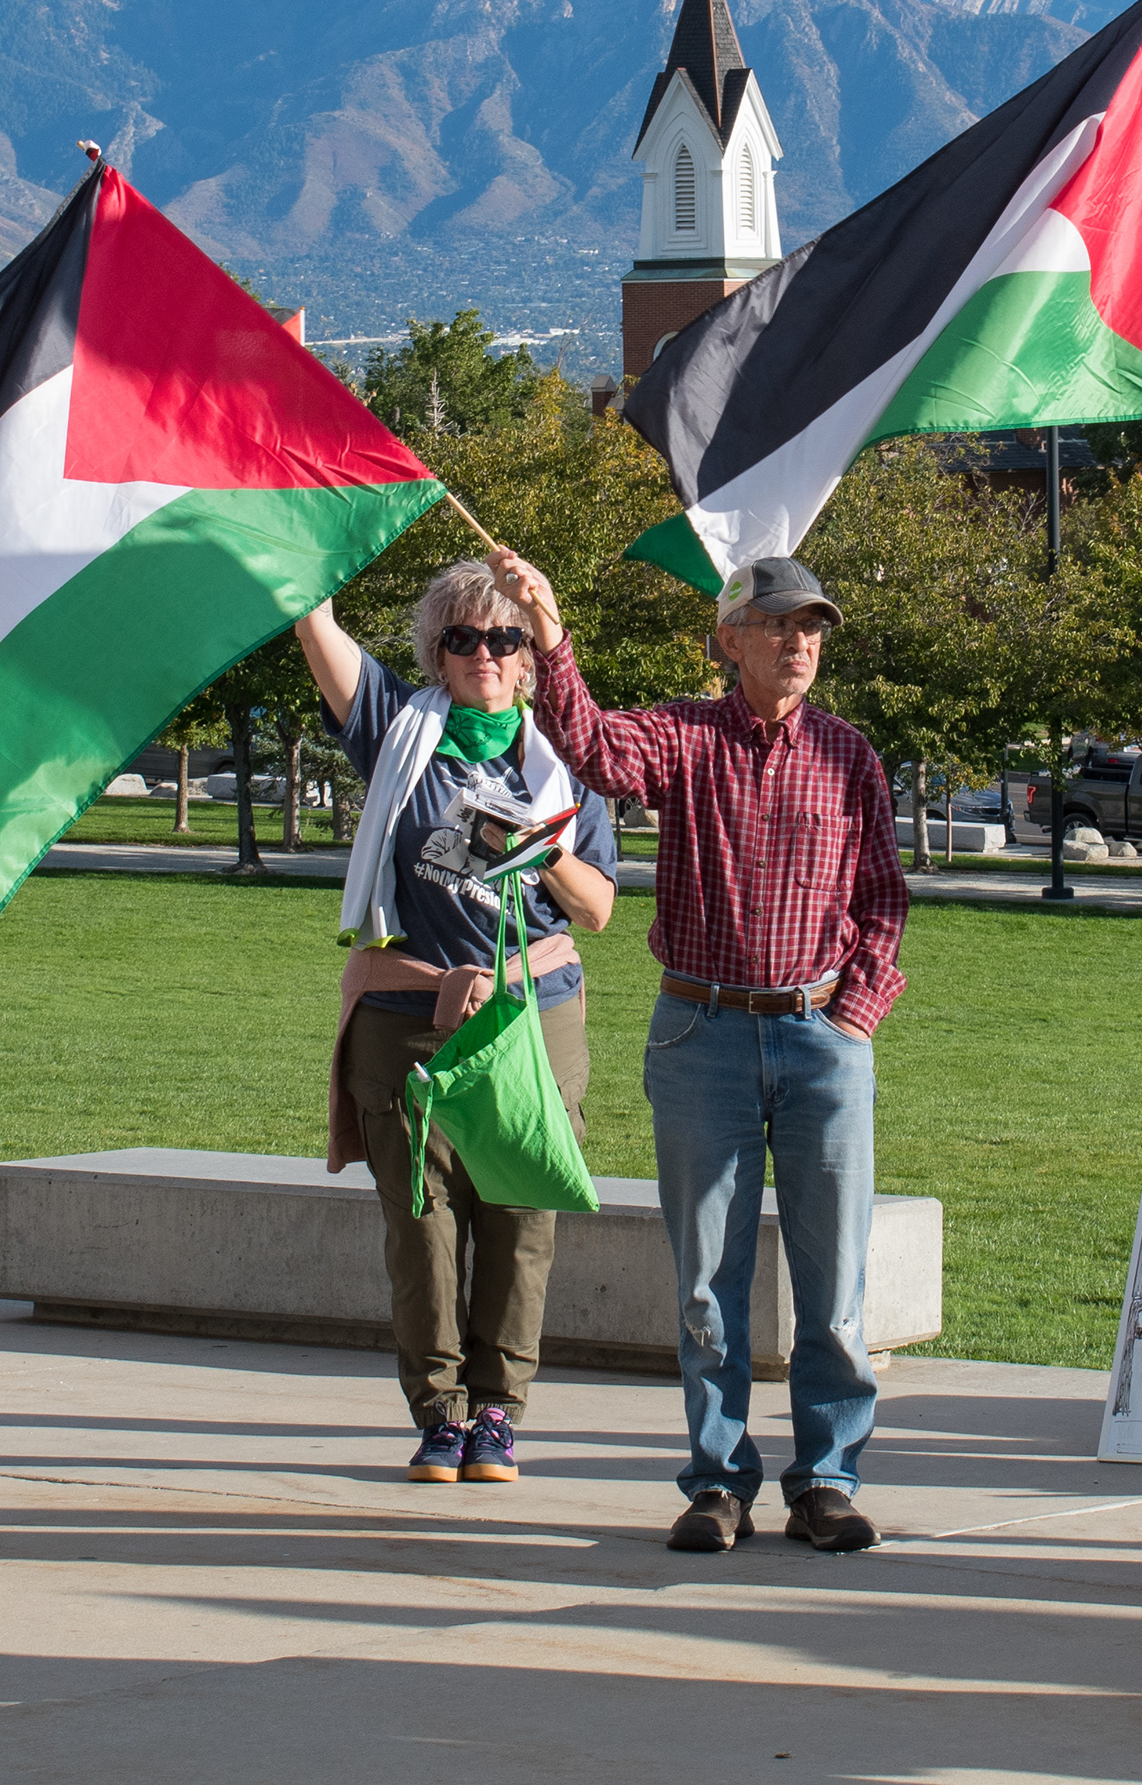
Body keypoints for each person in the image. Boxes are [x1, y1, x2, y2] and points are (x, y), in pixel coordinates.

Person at [502, 544, 906, 1556]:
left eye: (812, 626)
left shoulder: (848, 755)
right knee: (705, 1284)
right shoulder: (682, 739)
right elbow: (592, 749)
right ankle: (719, 1481)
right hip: (702, 1033)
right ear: (729, 640)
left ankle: (827, 1479)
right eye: (777, 624)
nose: (798, 642)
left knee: (836, 1279)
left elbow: (882, 900)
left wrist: (856, 1007)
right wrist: (550, 633)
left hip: (822, 1036)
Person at [295, 558, 621, 1484]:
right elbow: (314, 630)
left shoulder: (569, 762)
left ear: (529, 658)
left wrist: (537, 851)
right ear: (436, 653)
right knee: (422, 1224)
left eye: (506, 638)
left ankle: (499, 1415)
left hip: (532, 1014)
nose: (486, 653)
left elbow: (596, 909)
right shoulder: (401, 732)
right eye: (464, 638)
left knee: (522, 1216)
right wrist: (299, 559)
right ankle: (439, 1413)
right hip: (409, 1015)